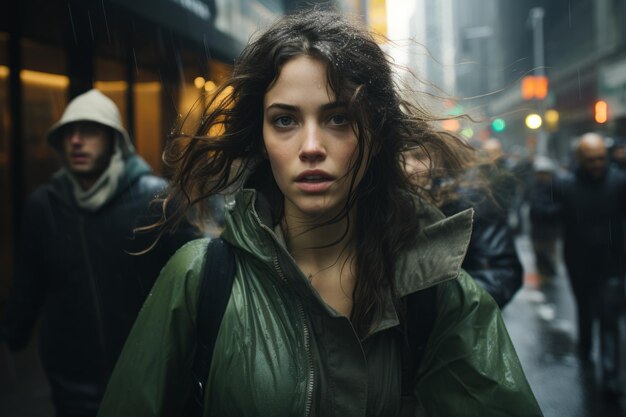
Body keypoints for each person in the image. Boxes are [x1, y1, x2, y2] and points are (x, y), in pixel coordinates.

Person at [97, 9, 542, 416]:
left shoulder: (435, 292)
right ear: (261, 138)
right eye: (285, 121)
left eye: (339, 119)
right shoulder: (200, 279)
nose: (311, 148)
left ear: (376, 135)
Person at [0, 89, 200, 417]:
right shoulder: (45, 206)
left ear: (114, 141)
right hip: (71, 378)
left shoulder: (154, 200)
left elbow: (193, 275)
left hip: (146, 372)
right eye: (69, 133)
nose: (76, 141)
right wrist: (13, 335)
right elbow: (28, 283)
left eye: (89, 131)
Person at [531, 132, 626, 399]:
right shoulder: (564, 185)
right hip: (579, 262)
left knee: (609, 318)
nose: (597, 164)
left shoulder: (619, 182)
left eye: (600, 159)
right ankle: (585, 355)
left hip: (612, 263)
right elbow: (540, 211)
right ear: (580, 159)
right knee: (585, 310)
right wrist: (555, 206)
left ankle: (610, 377)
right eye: (591, 160)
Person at [403, 140, 523, 308]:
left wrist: (448, 307)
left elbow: (502, 273)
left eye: (419, 157)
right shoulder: (389, 205)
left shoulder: (474, 203)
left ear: (441, 160)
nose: (408, 167)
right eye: (400, 158)